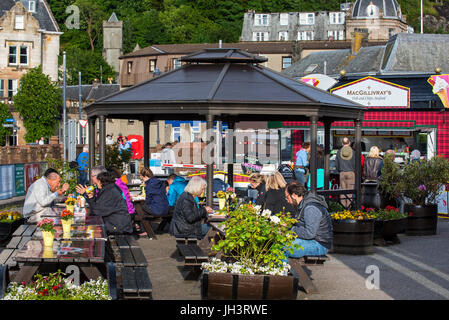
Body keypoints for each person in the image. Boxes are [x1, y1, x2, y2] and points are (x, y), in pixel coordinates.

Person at [283, 181, 333, 260]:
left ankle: (281, 271)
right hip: (313, 241)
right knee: (278, 243)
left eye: (287, 197)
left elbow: (309, 233)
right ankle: (282, 269)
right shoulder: (303, 204)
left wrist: (291, 229)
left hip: (319, 244)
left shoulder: (311, 208)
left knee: (283, 247)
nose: (287, 201)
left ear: (294, 195)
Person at [336, 137, 355, 207]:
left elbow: (336, 164)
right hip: (351, 172)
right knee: (350, 191)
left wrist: (339, 171)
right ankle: (349, 207)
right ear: (349, 143)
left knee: (342, 191)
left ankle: (343, 207)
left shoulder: (339, 152)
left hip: (342, 173)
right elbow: (356, 163)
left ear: (342, 143)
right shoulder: (353, 152)